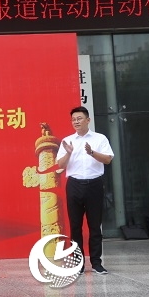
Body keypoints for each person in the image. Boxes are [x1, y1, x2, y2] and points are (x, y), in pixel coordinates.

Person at [56, 106, 114, 275]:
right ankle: (78, 264)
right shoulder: (67, 141)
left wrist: (92, 152)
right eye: (73, 119)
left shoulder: (99, 138)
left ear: (88, 120)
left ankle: (96, 263)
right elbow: (60, 165)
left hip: (94, 185)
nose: (76, 122)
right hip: (74, 185)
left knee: (95, 226)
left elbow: (108, 159)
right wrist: (68, 153)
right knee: (75, 226)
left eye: (79, 118)